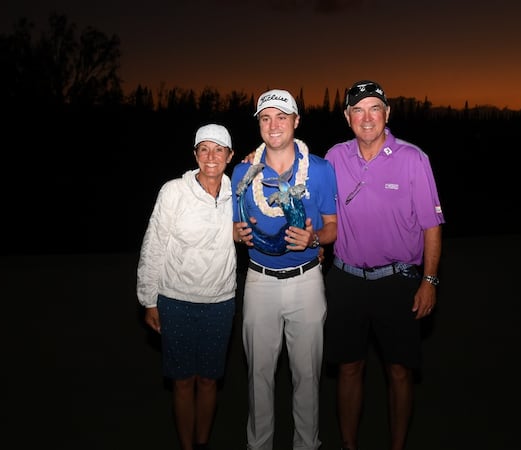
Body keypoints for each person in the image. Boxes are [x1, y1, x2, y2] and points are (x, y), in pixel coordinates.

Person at [323, 80, 445, 450]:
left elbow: (432, 224)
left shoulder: (412, 158)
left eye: (374, 108)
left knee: (399, 371)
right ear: (347, 117)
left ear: (387, 114)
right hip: (345, 279)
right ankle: (349, 445)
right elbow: (316, 203)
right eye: (357, 110)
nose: (366, 117)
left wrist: (429, 280)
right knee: (348, 367)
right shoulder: (334, 157)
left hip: (397, 281)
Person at [231, 89, 338, 450]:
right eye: (265, 118)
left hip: (307, 281)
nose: (273, 125)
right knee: (258, 375)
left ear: (296, 121)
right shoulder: (244, 171)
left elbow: (332, 229)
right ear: (259, 125)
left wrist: (313, 240)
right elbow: (235, 224)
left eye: (281, 117)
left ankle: (307, 444)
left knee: (306, 375)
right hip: (259, 281)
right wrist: (236, 233)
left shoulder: (320, 169)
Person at [136, 124, 237, 450]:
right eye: (204, 149)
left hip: (221, 301)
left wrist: (313, 245)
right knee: (182, 382)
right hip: (176, 300)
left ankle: (203, 443)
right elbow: (154, 245)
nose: (211, 156)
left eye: (218, 149)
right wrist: (149, 299)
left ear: (229, 156)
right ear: (195, 154)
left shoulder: (238, 192)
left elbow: (266, 220)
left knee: (208, 381)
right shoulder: (173, 192)